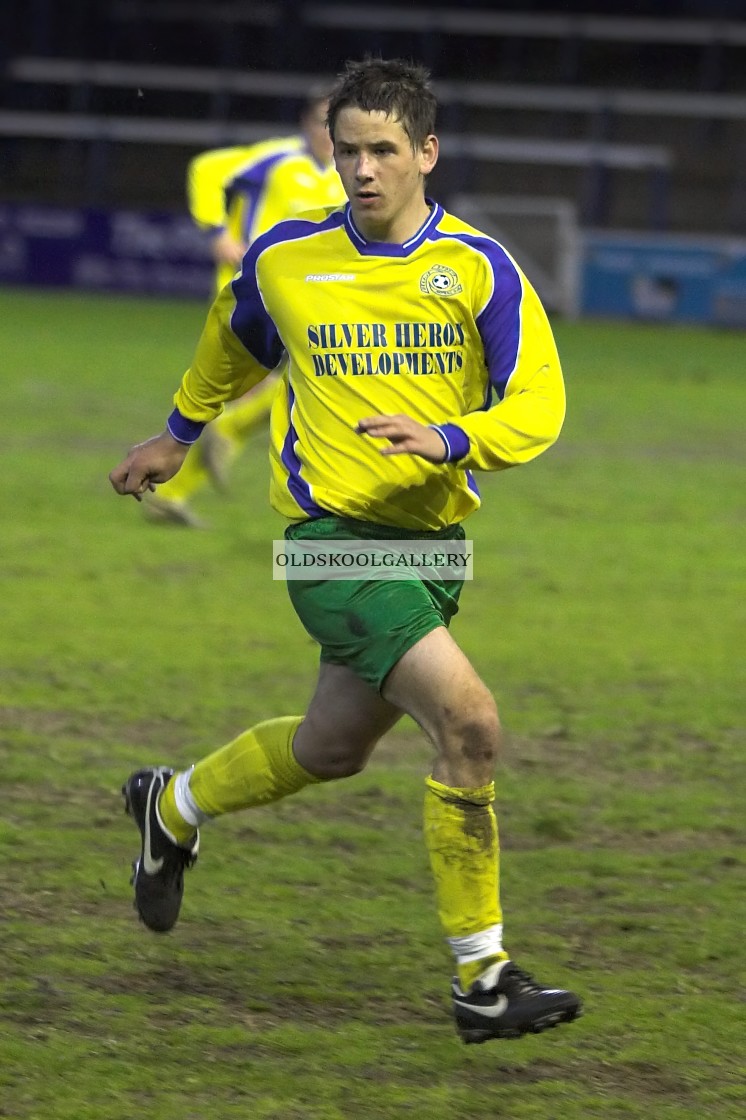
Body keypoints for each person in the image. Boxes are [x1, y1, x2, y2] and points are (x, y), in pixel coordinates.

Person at [109, 57, 582, 1044]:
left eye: (381, 150)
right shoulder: (285, 259)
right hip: (328, 546)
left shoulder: (479, 270)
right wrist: (178, 432)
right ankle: (481, 976)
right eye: (346, 148)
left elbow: (537, 402)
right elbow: (232, 338)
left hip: (433, 549)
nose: (360, 169)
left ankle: (175, 804)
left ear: (425, 154)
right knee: (469, 724)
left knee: (329, 748)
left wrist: (450, 437)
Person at [146, 90, 347, 526]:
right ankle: (221, 439)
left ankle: (174, 491)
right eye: (321, 124)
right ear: (307, 125)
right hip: (251, 289)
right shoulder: (275, 158)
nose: (328, 135)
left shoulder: (344, 177)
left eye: (337, 126)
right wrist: (217, 231)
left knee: (297, 382)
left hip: (304, 294)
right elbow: (205, 169)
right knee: (301, 380)